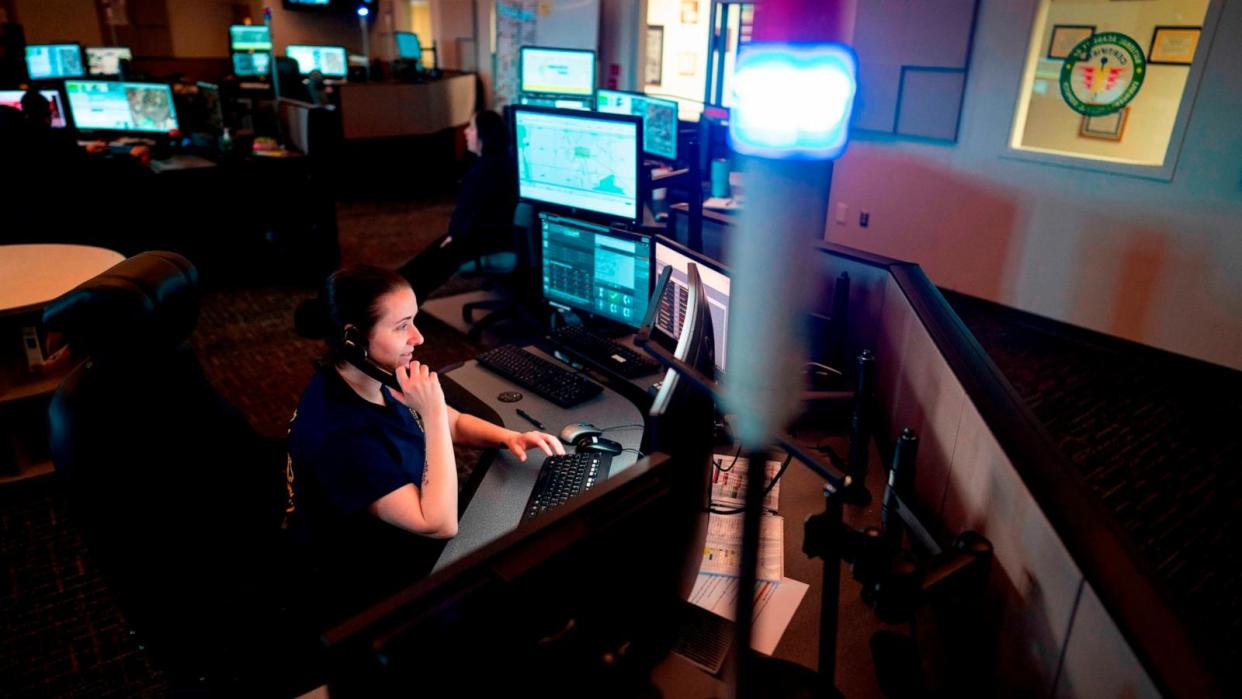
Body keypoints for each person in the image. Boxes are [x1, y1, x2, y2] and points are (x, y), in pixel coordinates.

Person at [288, 265, 563, 610]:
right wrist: (431, 413)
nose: (419, 338)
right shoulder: (343, 435)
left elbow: (455, 422)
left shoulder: (371, 376)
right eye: (402, 326)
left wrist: (509, 437)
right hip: (378, 582)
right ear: (353, 338)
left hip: (413, 528)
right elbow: (437, 523)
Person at [398, 109, 517, 301]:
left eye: (471, 127)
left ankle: (397, 297)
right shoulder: (499, 163)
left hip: (487, 239)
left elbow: (468, 213)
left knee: (438, 257)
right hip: (490, 234)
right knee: (435, 252)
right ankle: (396, 291)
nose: (466, 132)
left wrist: (455, 236)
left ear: (484, 136)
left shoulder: (485, 171)